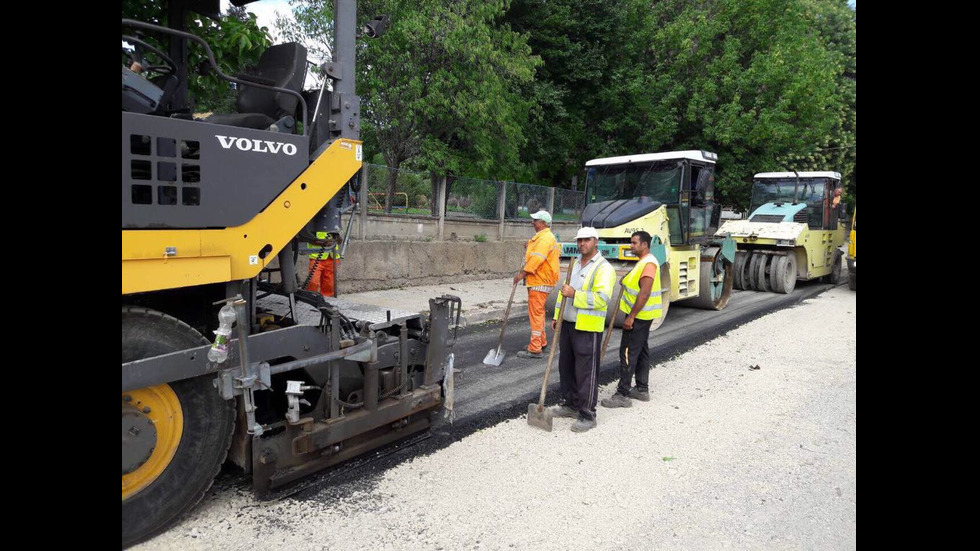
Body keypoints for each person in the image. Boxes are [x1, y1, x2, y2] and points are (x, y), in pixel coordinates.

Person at [549, 226, 616, 432]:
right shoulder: (575, 264)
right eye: (579, 240)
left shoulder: (604, 268)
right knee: (566, 368)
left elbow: (602, 298)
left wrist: (574, 294)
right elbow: (563, 292)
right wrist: (556, 315)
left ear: (595, 241)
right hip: (568, 324)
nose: (581, 244)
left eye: (586, 240)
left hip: (587, 327)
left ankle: (588, 414)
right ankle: (571, 404)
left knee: (586, 372)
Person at [600, 231, 662, 409]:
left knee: (627, 352)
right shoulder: (643, 262)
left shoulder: (649, 264)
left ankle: (622, 394)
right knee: (641, 350)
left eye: (634, 243)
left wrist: (632, 316)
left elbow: (645, 292)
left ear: (644, 244)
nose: (631, 246)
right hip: (642, 316)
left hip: (639, 317)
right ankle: (642, 389)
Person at [515, 211, 560, 359]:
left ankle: (535, 348)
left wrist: (522, 274)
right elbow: (537, 252)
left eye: (535, 220)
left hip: (539, 280)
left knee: (535, 315)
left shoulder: (544, 239)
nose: (532, 222)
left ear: (543, 223)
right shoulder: (543, 237)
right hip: (541, 280)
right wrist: (529, 245)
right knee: (538, 314)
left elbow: (536, 260)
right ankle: (541, 342)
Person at [302, 231, 340, 297]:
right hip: (316, 257)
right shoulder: (314, 223)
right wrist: (325, 243)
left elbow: (339, 241)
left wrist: (337, 237)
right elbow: (309, 238)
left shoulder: (334, 223)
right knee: (313, 282)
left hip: (331, 257)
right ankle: (311, 298)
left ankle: (327, 300)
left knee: (329, 284)